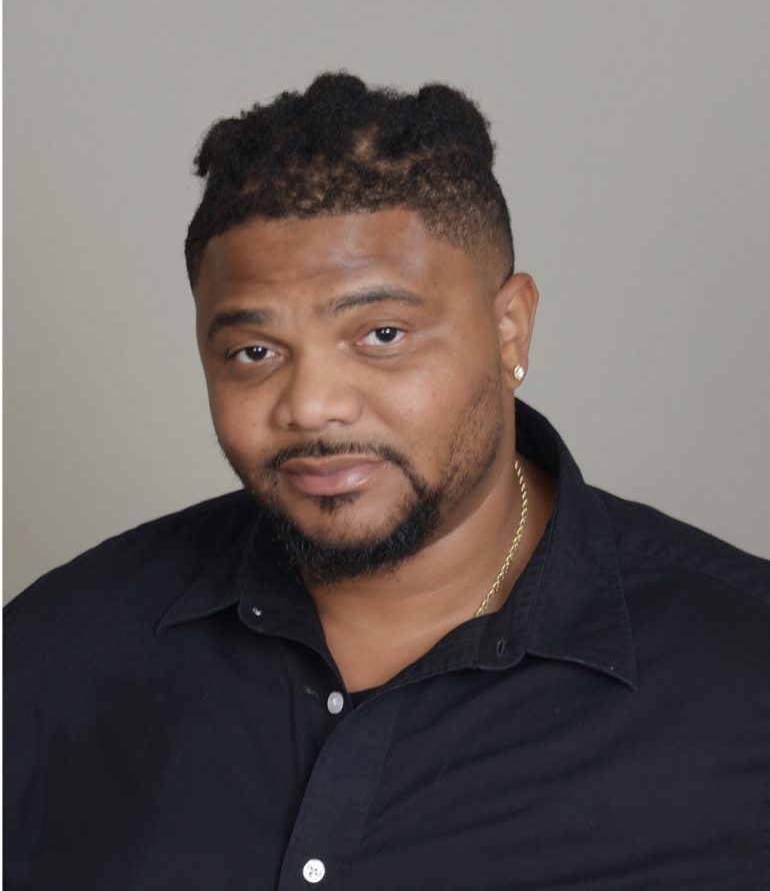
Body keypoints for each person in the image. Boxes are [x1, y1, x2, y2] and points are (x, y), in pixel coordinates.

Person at [4, 73, 769, 891]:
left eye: (382, 333)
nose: (310, 405)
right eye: (255, 352)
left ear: (510, 329)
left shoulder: (742, 681)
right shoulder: (50, 659)